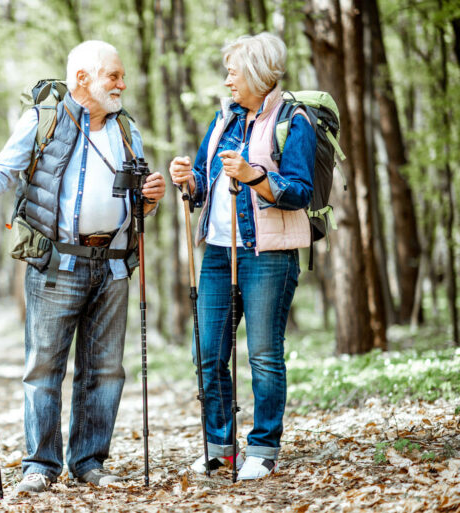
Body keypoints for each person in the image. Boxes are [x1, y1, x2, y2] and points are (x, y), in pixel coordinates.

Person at [0, 40, 165, 495]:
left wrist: (150, 197)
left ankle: (90, 462)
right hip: (57, 264)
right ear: (82, 78)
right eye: (114, 76)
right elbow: (4, 171)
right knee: (44, 366)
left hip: (113, 267)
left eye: (122, 76)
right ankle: (40, 465)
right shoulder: (42, 120)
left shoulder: (127, 128)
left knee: (106, 369)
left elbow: (138, 199)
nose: (122, 84)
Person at [168, 32, 315, 481]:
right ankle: (220, 448)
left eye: (234, 71)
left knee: (264, 355)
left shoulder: (295, 120)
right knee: (208, 354)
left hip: (266, 254)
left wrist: (254, 175)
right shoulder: (224, 118)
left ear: (255, 72)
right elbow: (203, 178)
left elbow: (299, 191)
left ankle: (264, 449)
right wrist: (187, 180)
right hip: (216, 251)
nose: (228, 79)